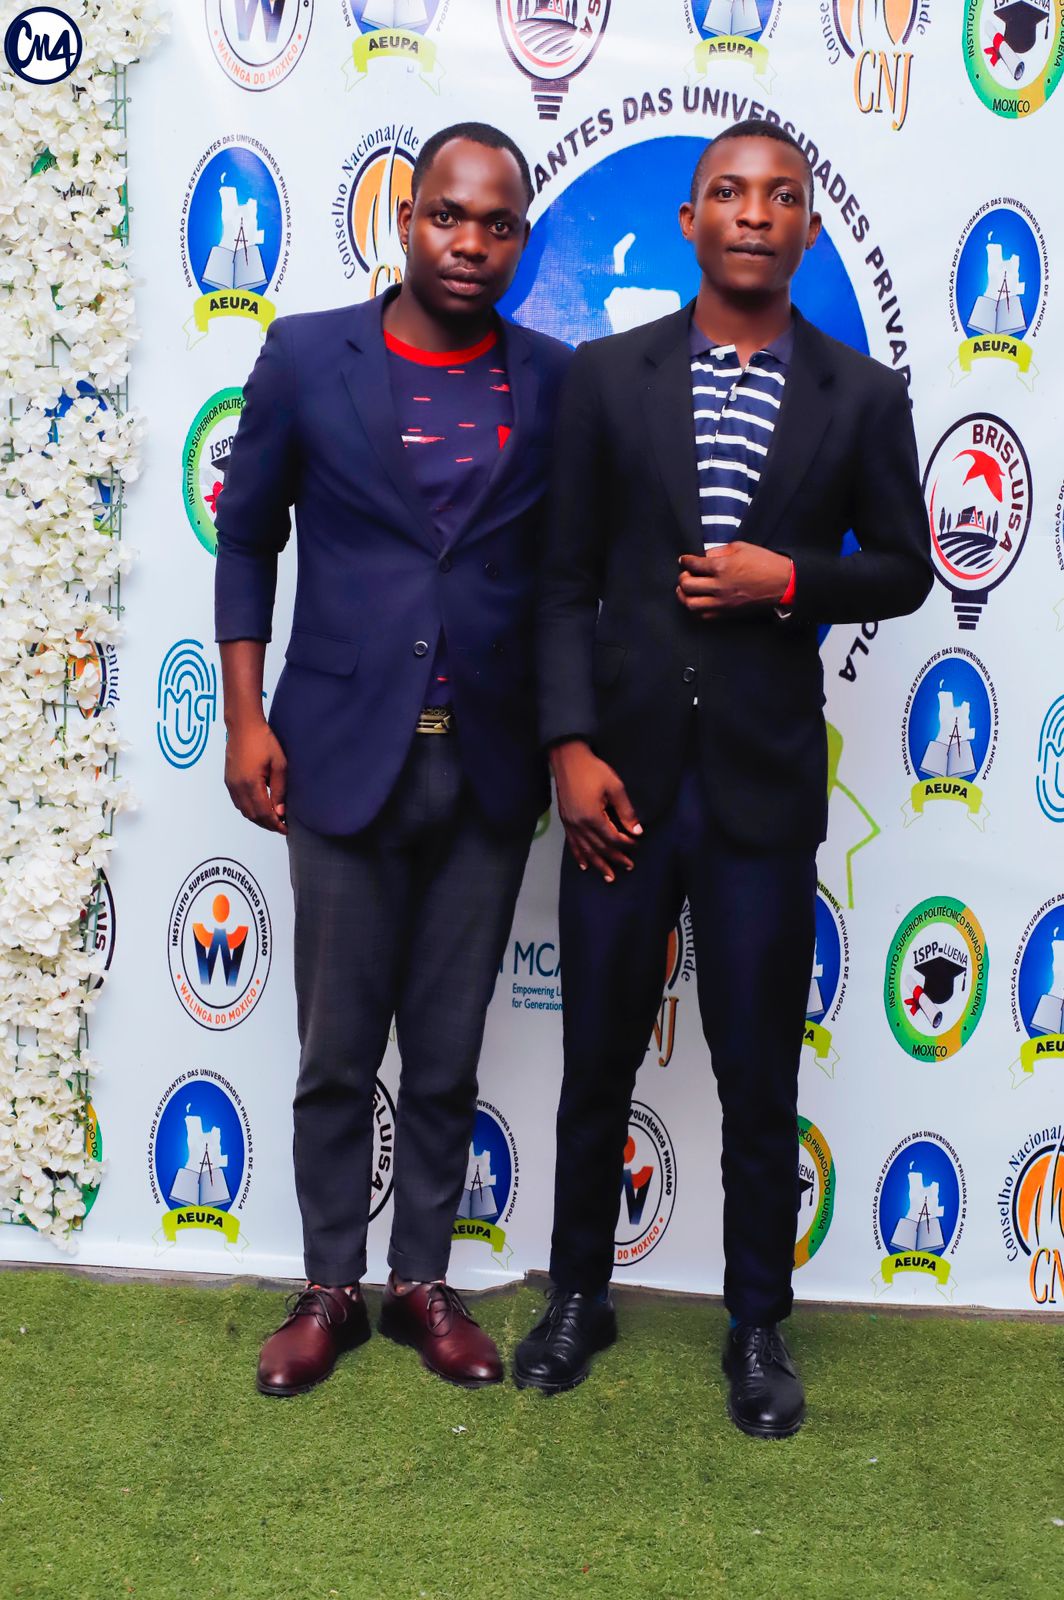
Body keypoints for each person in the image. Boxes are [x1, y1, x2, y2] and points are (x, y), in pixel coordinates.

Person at [512, 119, 932, 1436]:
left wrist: (787, 579)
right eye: (730, 193)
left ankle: (756, 1324)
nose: (756, 212)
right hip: (619, 782)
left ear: (807, 226)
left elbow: (906, 569)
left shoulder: (859, 395)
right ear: (690, 220)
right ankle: (577, 1294)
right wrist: (569, 749)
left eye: (781, 196)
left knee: (759, 1073)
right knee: (596, 1059)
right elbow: (561, 580)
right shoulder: (606, 377)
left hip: (759, 788)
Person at [214, 123, 571, 1396]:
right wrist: (244, 717)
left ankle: (421, 1281)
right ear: (405, 220)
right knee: (334, 1053)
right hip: (336, 755)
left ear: (519, 242)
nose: (470, 242)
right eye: (447, 215)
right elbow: (246, 537)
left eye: (497, 224)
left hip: (485, 764)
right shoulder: (308, 355)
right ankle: (329, 1286)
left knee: (447, 1047)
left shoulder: (553, 381)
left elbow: (563, 579)